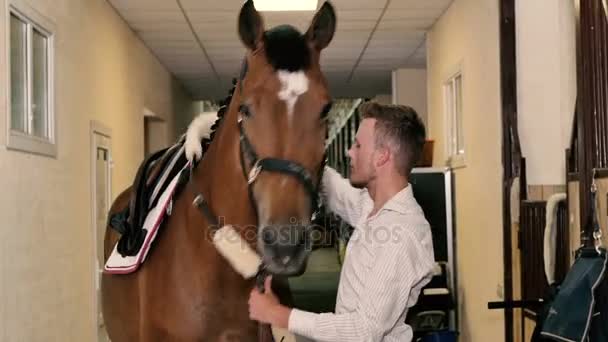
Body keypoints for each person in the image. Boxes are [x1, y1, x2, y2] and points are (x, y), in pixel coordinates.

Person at [249, 101, 436, 342]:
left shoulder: (402, 234)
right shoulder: (372, 206)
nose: (349, 152)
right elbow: (334, 189)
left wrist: (280, 315)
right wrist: (301, 146)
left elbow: (363, 330)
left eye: (358, 145)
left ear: (382, 157)